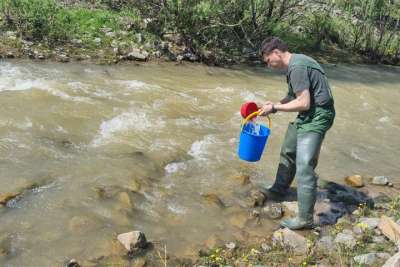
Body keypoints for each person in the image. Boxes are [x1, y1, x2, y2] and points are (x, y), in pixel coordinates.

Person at [258, 37, 335, 230]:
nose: (269, 66)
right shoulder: (296, 64)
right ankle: (278, 190)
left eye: (268, 61)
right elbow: (294, 97)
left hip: (317, 116)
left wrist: (275, 108)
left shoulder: (297, 67)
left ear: (276, 52)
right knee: (288, 151)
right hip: (307, 115)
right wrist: (274, 103)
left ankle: (305, 219)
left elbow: (304, 103)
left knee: (305, 166)